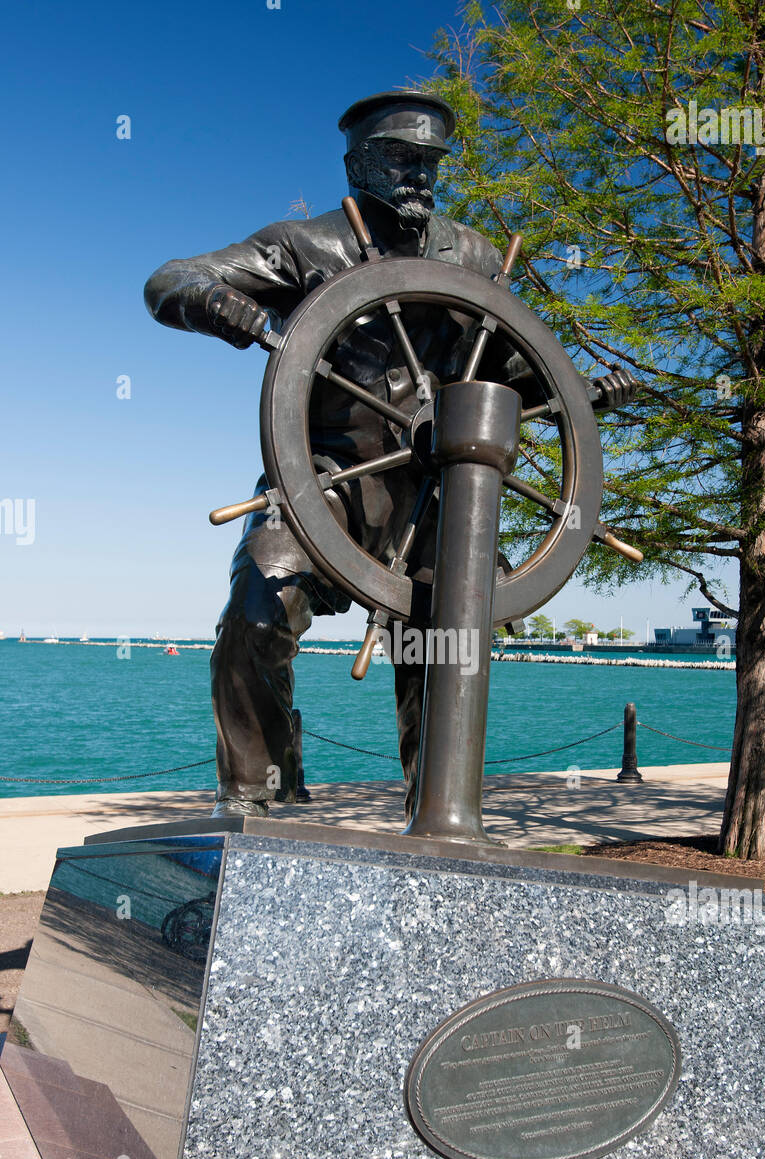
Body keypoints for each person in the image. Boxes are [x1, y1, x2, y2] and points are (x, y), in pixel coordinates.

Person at [144, 90, 636, 819]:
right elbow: (167, 282)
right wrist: (220, 304)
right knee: (255, 617)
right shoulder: (303, 246)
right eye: (400, 158)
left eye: (429, 161)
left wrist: (576, 394)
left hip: (438, 500)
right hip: (323, 485)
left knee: (440, 659)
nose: (419, 175)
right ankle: (256, 794)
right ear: (356, 166)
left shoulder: (473, 256)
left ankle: (432, 819)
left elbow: (506, 368)